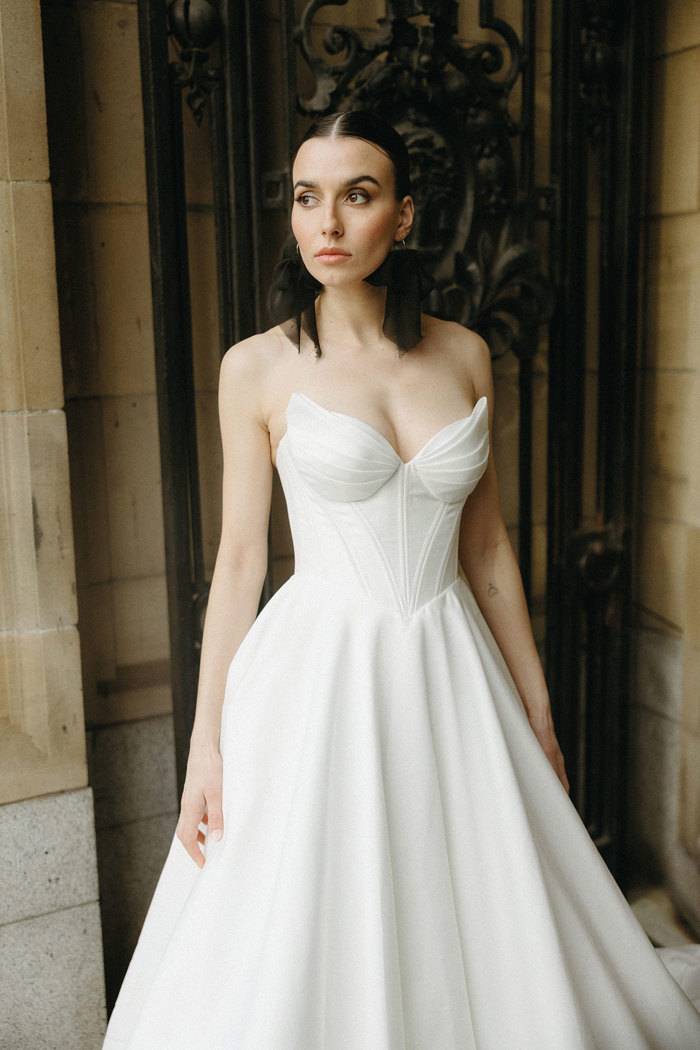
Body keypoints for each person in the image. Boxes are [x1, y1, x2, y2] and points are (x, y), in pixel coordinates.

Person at [102, 111, 700, 1049]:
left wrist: (536, 709)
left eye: (358, 195)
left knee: (473, 893)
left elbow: (489, 547)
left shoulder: (464, 353)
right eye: (308, 198)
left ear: (405, 217)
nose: (327, 223)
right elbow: (241, 562)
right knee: (314, 906)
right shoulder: (254, 367)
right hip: (320, 673)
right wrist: (205, 745)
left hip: (451, 663)